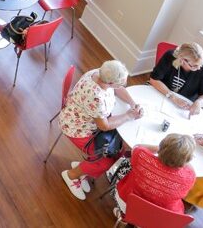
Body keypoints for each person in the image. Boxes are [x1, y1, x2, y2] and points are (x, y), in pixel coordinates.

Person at [59, 60, 143, 200]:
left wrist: (132, 104)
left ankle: (85, 168)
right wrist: (128, 115)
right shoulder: (96, 97)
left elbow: (117, 88)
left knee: (118, 150)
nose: (123, 86)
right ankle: (71, 175)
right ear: (110, 83)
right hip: (77, 129)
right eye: (121, 83)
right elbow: (104, 126)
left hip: (84, 119)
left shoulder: (100, 72)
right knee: (106, 161)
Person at [113, 134, 197, 218]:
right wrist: (181, 157)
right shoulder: (189, 178)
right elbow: (192, 171)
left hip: (128, 203)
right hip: (159, 218)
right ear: (187, 159)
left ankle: (124, 215)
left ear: (161, 147)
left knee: (127, 167)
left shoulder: (141, 156)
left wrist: (162, 149)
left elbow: (136, 146)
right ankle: (142, 223)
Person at [149, 42, 203, 117]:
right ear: (182, 60)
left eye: (201, 64)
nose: (199, 68)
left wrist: (199, 102)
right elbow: (154, 79)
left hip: (184, 105)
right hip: (160, 92)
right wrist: (173, 97)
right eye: (194, 66)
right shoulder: (169, 57)